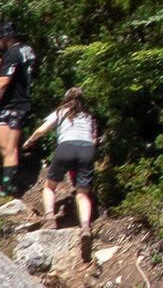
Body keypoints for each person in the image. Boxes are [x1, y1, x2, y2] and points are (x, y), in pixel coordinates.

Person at [0, 15, 40, 183]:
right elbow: (4, 69)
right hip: (8, 105)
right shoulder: (26, 50)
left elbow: (3, 81)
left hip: (12, 106)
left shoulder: (12, 54)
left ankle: (7, 191)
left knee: (8, 150)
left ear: (5, 38)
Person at [36, 88, 101, 230]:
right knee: (82, 193)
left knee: (49, 187)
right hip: (87, 149)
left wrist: (29, 140)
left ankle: (49, 218)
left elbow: (42, 130)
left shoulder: (61, 111)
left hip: (66, 146)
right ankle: (85, 227)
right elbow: (94, 140)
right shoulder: (89, 117)